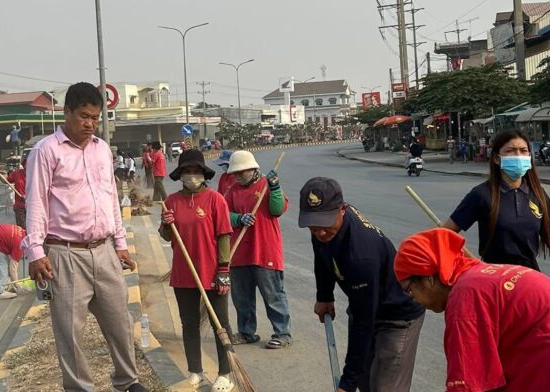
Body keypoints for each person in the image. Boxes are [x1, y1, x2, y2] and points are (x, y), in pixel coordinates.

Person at [393, 228, 550, 392]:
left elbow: (467, 385)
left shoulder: (465, 295)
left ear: (428, 279)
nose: (413, 299)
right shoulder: (490, 275)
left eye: (409, 289)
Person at [24, 82, 147, 392]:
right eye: (83, 116)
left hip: (104, 249)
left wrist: (120, 244)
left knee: (119, 320)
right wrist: (35, 252)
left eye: (95, 117)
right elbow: (36, 202)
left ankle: (127, 381)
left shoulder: (102, 149)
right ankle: (79, 388)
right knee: (70, 332)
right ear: (66, 113)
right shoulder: (46, 151)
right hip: (65, 253)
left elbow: (110, 198)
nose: (90, 124)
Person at [442, 129, 550, 310]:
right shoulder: (482, 194)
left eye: (523, 150)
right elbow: (445, 234)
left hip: (529, 281)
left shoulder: (538, 195)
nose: (518, 155)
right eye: (511, 151)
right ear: (497, 158)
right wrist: (475, 265)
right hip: (493, 285)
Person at [299, 178, 425, 392]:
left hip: (397, 317)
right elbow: (322, 258)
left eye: (325, 224)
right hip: (366, 304)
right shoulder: (322, 228)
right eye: (313, 225)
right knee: (365, 383)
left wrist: (346, 384)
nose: (319, 232)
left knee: (384, 387)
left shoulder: (361, 254)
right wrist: (324, 295)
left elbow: (363, 324)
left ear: (342, 209)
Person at [159, 150, 235, 392]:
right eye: (187, 172)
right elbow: (167, 236)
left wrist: (224, 270)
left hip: (212, 271)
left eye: (196, 171)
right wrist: (165, 223)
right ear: (180, 174)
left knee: (220, 323)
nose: (192, 176)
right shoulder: (171, 201)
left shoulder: (215, 199)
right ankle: (196, 371)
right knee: (188, 324)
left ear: (203, 174)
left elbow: (224, 235)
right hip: (184, 273)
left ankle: (226, 373)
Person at [224, 151, 292, 349]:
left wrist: (276, 187)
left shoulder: (266, 186)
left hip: (265, 251)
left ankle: (282, 333)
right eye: (235, 173)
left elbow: (277, 209)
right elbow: (222, 215)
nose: (237, 176)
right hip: (239, 254)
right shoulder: (232, 191)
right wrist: (238, 218)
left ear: (253, 169)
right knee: (242, 298)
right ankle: (246, 332)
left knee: (273, 296)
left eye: (241, 172)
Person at [7, 158, 27, 229]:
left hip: (33, 206)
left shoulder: (36, 174)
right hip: (20, 206)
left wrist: (28, 196)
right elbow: (7, 180)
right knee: (21, 229)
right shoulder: (16, 173)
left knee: (33, 229)